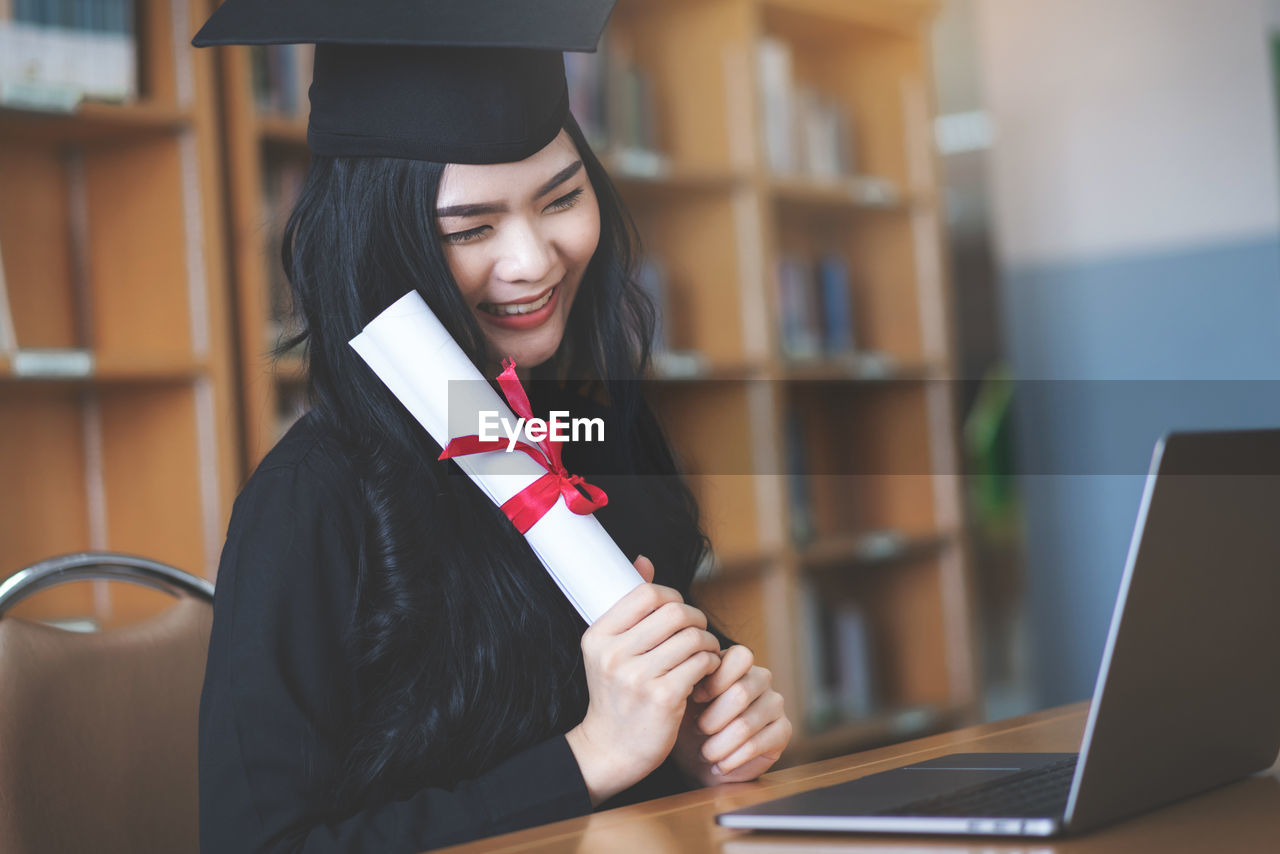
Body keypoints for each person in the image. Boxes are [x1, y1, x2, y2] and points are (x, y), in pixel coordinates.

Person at [193, 1, 792, 851]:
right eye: (470, 228)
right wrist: (588, 758)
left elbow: (634, 739)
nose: (534, 260)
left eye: (561, 199)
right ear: (381, 247)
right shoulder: (310, 503)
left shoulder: (592, 431)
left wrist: (705, 731)